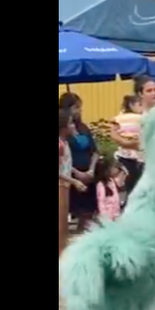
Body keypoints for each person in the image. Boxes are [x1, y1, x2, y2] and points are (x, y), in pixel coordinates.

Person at [59, 92, 99, 232]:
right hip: (70, 176)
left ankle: (81, 234)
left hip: (88, 174)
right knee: (68, 212)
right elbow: (64, 160)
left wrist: (91, 170)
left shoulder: (83, 127)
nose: (79, 110)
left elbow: (94, 150)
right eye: (76, 107)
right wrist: (77, 174)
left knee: (88, 211)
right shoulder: (63, 133)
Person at [59, 108, 86, 257]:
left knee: (64, 226)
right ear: (63, 127)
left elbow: (66, 165)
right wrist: (74, 181)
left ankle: (62, 253)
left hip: (65, 186)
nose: (73, 126)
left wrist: (75, 174)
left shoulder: (64, 142)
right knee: (61, 225)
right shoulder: (60, 145)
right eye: (70, 124)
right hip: (60, 187)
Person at [111, 94, 145, 195]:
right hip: (132, 155)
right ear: (131, 105)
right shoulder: (139, 118)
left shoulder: (120, 118)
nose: (142, 107)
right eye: (140, 104)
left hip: (131, 154)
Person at [95, 157, 123, 221]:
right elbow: (101, 202)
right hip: (107, 216)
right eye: (113, 167)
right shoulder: (101, 185)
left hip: (115, 215)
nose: (116, 170)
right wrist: (105, 217)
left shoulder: (112, 181)